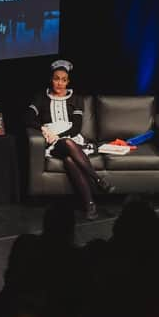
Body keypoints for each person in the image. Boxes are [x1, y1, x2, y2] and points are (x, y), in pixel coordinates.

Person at [26, 59, 114, 220]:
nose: (59, 83)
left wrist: (59, 136)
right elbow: (29, 118)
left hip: (71, 139)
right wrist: (44, 129)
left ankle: (90, 205)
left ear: (68, 81)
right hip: (53, 142)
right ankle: (98, 179)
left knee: (70, 159)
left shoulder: (77, 99)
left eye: (63, 80)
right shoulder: (41, 97)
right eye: (56, 78)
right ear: (51, 79)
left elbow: (77, 127)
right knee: (66, 145)